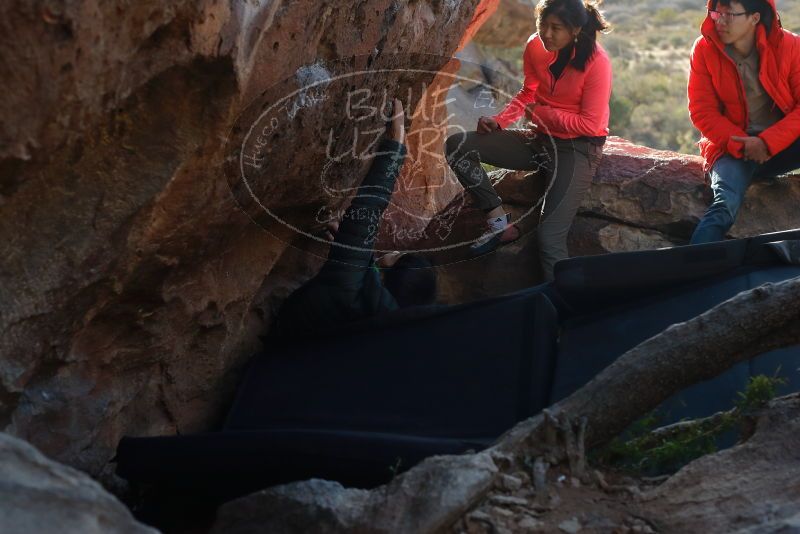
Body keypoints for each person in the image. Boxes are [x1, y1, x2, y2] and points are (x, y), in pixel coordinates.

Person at [445, 0, 611, 281]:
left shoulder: (597, 63)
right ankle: (499, 225)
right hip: (539, 140)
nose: (546, 33)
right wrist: (499, 121)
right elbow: (528, 92)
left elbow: (590, 124)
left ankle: (559, 311)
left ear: (575, 31)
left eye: (555, 28)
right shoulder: (536, 46)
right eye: (542, 24)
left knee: (549, 239)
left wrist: (545, 114)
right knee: (457, 145)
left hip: (578, 149)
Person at [272, 99, 437, 337]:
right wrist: (354, 252)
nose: (399, 251)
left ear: (393, 273)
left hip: (282, 341)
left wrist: (397, 142)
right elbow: (361, 274)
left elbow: (369, 208)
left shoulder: (350, 284)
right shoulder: (389, 324)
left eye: (401, 256)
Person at [688, 0, 800, 244]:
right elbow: (702, 111)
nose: (721, 20)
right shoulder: (705, 49)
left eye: (730, 14)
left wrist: (767, 143)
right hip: (732, 148)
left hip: (782, 146)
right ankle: (689, 270)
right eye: (717, 13)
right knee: (724, 205)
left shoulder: (790, 46)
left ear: (755, 18)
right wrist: (744, 145)